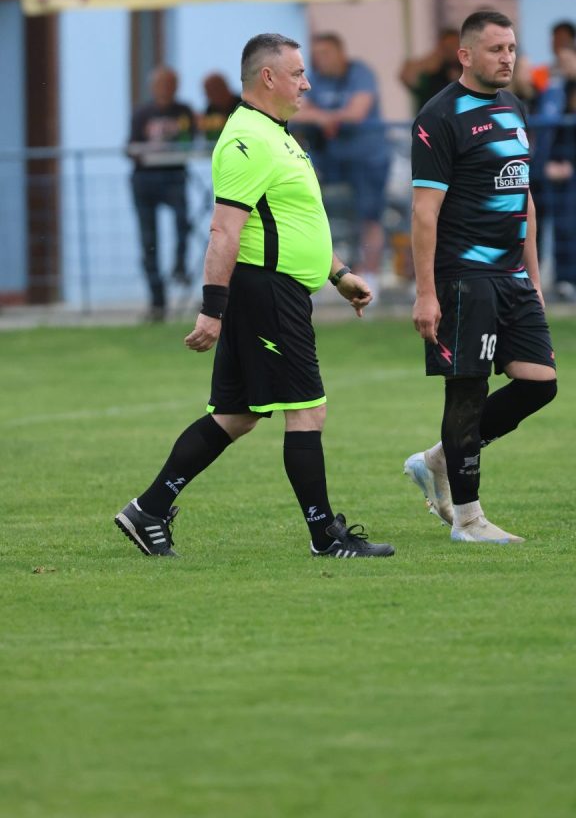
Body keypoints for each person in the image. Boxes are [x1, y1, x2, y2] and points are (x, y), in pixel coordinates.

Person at [115, 33, 395, 560]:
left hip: (275, 289)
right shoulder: (246, 138)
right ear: (268, 77)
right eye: (298, 74)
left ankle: (148, 509)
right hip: (267, 293)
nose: (306, 84)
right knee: (308, 411)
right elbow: (225, 230)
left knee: (236, 414)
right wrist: (212, 310)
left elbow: (291, 219)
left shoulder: (277, 134)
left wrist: (338, 274)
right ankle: (325, 537)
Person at [403, 10, 557, 543]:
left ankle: (438, 459)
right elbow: (424, 213)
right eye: (496, 49)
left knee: (540, 384)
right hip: (464, 276)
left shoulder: (514, 107)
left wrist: (533, 278)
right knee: (467, 392)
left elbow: (524, 197)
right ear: (465, 55)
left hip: (512, 276)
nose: (507, 58)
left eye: (511, 47)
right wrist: (426, 294)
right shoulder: (439, 116)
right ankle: (467, 521)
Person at [292, 33, 389, 300]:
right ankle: (324, 274)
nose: (320, 59)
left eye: (326, 53)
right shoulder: (314, 78)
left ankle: (370, 277)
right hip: (331, 159)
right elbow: (297, 110)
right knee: (310, 211)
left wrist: (322, 117)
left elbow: (357, 112)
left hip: (368, 158)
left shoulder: (360, 74)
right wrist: (325, 118)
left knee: (370, 217)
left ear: (340, 53)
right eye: (316, 55)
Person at [127, 66, 196, 321]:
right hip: (145, 179)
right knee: (148, 240)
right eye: (161, 84)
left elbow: (191, 139)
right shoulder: (142, 113)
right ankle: (157, 300)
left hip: (175, 176)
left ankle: (180, 267)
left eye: (170, 84)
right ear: (152, 87)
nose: (165, 89)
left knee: (183, 224)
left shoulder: (184, 111)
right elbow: (131, 146)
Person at [515, 21, 576, 300]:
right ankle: (536, 280)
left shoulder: (559, 89)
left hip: (559, 168)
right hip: (543, 171)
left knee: (565, 225)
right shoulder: (547, 89)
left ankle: (564, 280)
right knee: (536, 226)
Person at [399, 28, 461, 111]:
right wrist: (435, 58)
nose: (452, 49)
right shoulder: (432, 72)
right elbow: (406, 76)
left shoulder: (467, 71)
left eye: (455, 44)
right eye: (447, 46)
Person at [196, 72, 242, 144]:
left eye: (213, 90)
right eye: (208, 92)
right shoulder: (210, 110)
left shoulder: (242, 104)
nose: (209, 96)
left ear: (224, 87)